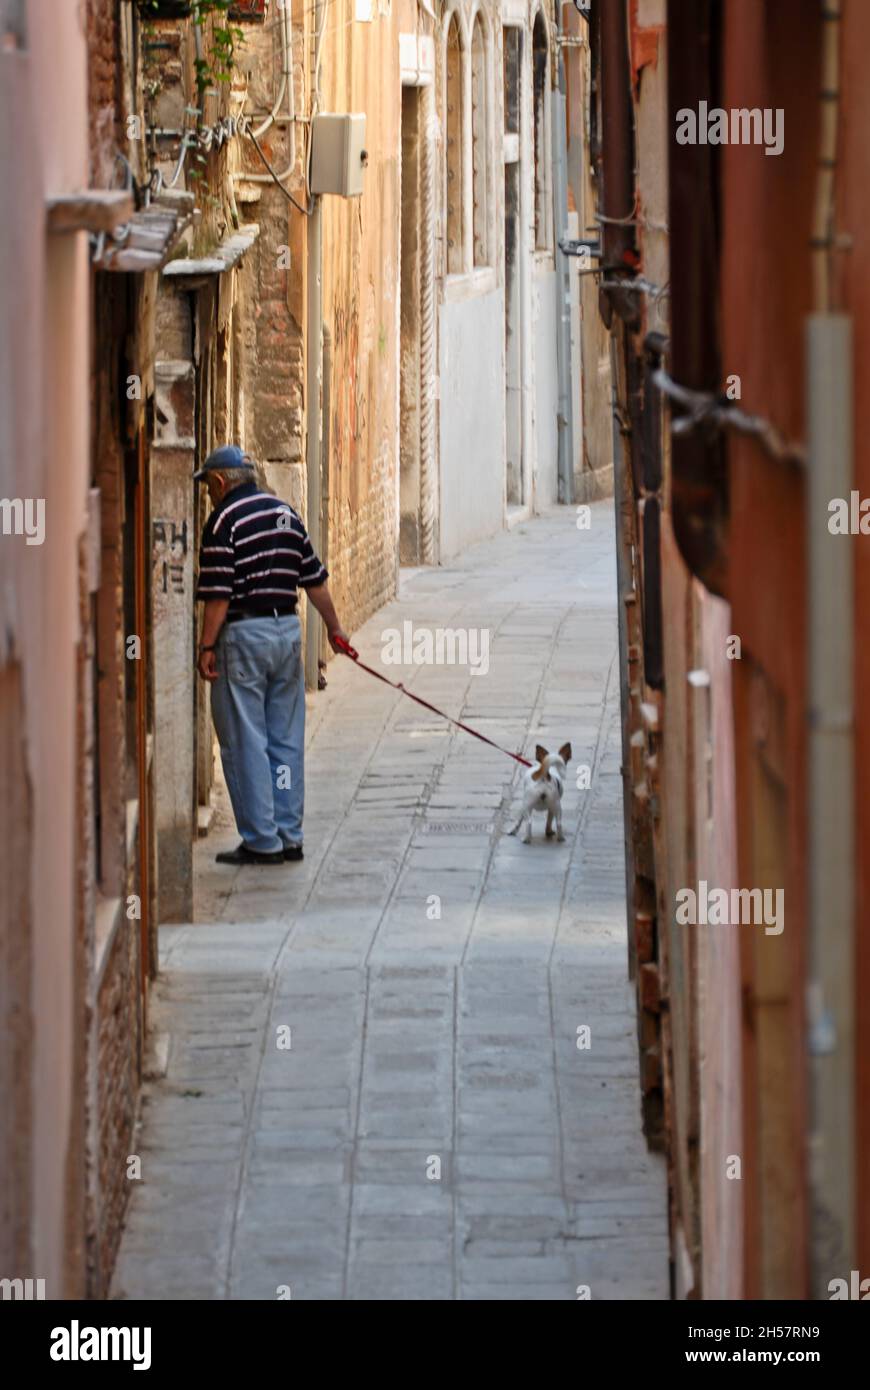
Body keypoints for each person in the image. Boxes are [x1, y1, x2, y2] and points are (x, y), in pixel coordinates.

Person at [194, 445, 351, 865]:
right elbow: (314, 579)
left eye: (208, 486)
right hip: (287, 633)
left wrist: (207, 646)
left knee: (245, 738)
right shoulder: (286, 514)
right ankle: (289, 834)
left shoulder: (223, 521)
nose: (209, 494)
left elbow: (219, 594)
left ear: (221, 482)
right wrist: (335, 629)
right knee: (285, 739)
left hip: (244, 635)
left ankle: (262, 840)